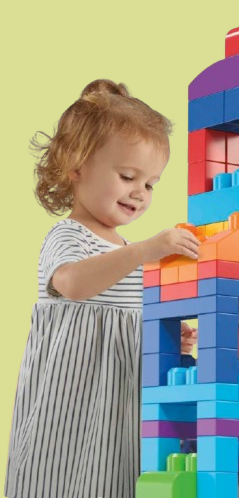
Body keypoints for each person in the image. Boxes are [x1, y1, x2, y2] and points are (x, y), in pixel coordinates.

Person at [4, 79, 201, 498]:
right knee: (62, 478)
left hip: (119, 406)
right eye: (128, 176)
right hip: (72, 401)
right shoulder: (69, 235)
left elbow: (129, 317)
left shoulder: (125, 251)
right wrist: (145, 250)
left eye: (150, 184)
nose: (140, 193)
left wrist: (168, 335)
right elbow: (72, 283)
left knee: (115, 478)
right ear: (76, 166)